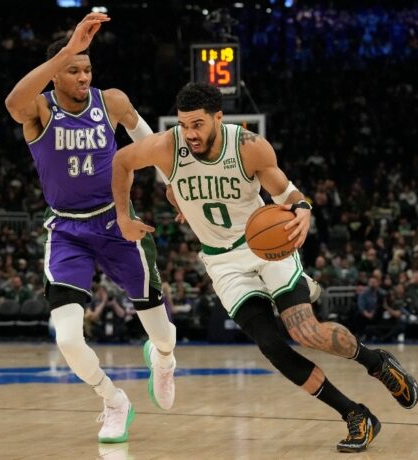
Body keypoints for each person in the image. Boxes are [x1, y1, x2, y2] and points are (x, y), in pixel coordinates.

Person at [112, 82, 418, 453]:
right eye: (184, 124)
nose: (189, 133)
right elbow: (122, 162)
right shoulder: (168, 145)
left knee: (305, 332)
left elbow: (286, 192)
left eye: (197, 124)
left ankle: (377, 363)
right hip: (222, 260)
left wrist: (302, 208)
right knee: (272, 346)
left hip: (265, 247)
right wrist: (125, 216)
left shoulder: (248, 147)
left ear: (218, 118)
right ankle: (355, 415)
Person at [4, 13, 176, 443]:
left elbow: (149, 141)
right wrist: (66, 48)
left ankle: (165, 358)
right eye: (74, 70)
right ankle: (113, 399)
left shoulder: (112, 101)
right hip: (67, 232)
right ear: (56, 73)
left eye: (87, 69)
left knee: (163, 333)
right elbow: (12, 103)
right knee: (66, 337)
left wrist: (173, 183)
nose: (83, 76)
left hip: (117, 221)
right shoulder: (40, 109)